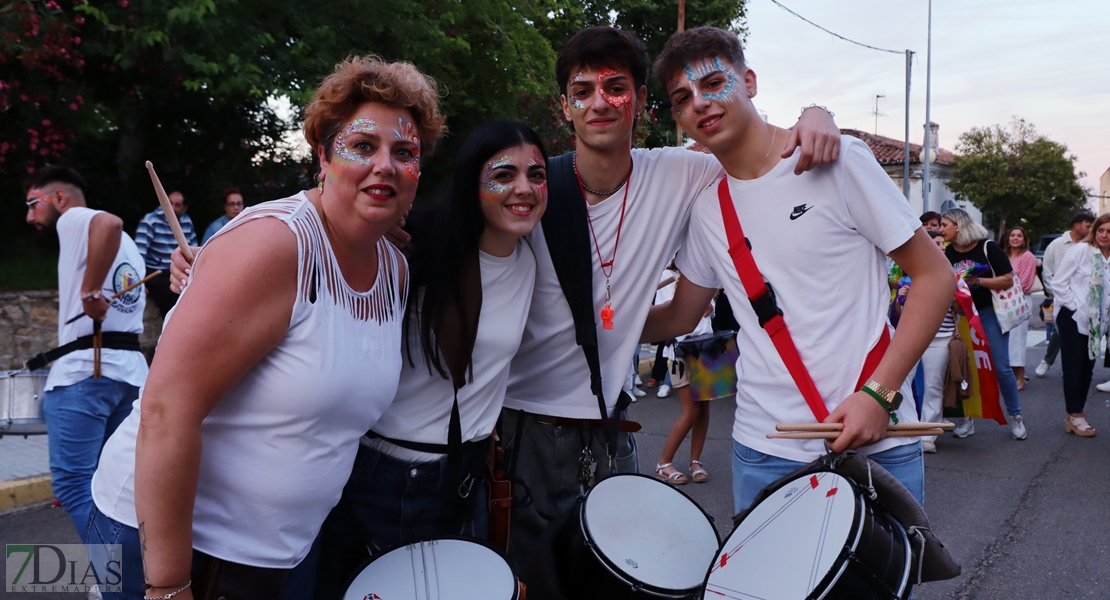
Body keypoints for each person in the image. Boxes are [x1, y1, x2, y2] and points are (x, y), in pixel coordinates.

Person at [88, 55, 443, 599]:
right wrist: (166, 584)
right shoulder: (275, 245)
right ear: (323, 157)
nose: (385, 166)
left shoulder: (392, 269)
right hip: (164, 549)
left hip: (280, 557)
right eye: (363, 146)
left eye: (405, 152)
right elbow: (166, 409)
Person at [498, 25, 843, 568]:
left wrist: (816, 115)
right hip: (524, 433)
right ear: (564, 107)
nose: (599, 103)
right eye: (582, 91)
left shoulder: (686, 174)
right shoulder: (528, 190)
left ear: (641, 101)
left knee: (623, 576)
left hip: (613, 431)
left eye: (616, 87)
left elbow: (759, 149)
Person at [646, 26, 955, 513]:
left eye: (713, 84)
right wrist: (592, 321)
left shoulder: (838, 161)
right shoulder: (708, 208)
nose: (700, 103)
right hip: (762, 449)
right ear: (678, 117)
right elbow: (682, 317)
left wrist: (880, 394)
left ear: (748, 81)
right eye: (683, 98)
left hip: (878, 441)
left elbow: (935, 276)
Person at [304, 120, 548, 596]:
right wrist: (205, 264)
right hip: (395, 477)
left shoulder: (529, 258)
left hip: (466, 473)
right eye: (503, 175)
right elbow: (321, 244)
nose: (523, 188)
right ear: (471, 181)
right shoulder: (413, 247)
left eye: (536, 175)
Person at [22, 166, 148, 542]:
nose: (30, 216)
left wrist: (90, 290)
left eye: (33, 204)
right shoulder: (128, 243)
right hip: (128, 376)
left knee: (74, 485)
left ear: (58, 198)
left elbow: (108, 221)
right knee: (115, 492)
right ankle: (131, 579)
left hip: (85, 374)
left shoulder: (74, 218)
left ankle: (116, 583)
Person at [940, 208, 1027, 440]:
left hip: (989, 313)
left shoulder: (988, 247)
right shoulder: (947, 252)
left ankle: (1015, 416)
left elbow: (1007, 279)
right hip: (961, 315)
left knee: (1001, 366)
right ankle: (967, 418)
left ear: (959, 226)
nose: (941, 229)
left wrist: (979, 281)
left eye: (945, 224)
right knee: (963, 366)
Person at [1048, 213, 1110, 438]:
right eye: (1100, 230)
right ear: (1094, 231)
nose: (1104, 235)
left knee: (1088, 367)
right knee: (1075, 366)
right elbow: (1058, 282)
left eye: (1109, 232)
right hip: (1074, 318)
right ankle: (1075, 415)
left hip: (1097, 323)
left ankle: (1074, 415)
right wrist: (1075, 307)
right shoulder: (1081, 251)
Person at [653, 265, 714, 485]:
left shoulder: (704, 273)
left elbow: (707, 310)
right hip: (680, 351)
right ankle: (663, 463)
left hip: (707, 347)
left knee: (704, 408)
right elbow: (667, 315)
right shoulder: (667, 277)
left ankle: (695, 461)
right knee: (690, 411)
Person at [910, 231, 960, 453]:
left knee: (933, 385)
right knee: (900, 383)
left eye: (942, 243)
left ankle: (928, 434)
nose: (941, 246)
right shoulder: (909, 269)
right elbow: (900, 311)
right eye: (936, 243)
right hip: (911, 337)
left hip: (940, 338)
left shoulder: (955, 275)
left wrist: (956, 296)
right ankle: (901, 427)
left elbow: (961, 311)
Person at [1036, 212, 1095, 377]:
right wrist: (1054, 295)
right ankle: (1048, 361)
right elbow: (1048, 272)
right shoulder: (1057, 245)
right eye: (1088, 225)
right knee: (1059, 331)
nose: (1091, 229)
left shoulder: (1092, 246)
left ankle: (1078, 365)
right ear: (1077, 225)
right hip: (1063, 297)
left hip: (1087, 299)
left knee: (1090, 331)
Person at [134, 190, 198, 317]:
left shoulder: (186, 221)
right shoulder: (151, 221)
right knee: (169, 292)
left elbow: (193, 249)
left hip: (178, 268)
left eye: (177, 205)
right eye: (169, 203)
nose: (172, 208)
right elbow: (138, 253)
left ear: (184, 208)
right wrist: (139, 282)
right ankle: (172, 325)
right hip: (156, 271)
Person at [1004, 226, 1037, 389]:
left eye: (1019, 236)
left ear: (1024, 240)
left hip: (1020, 301)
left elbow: (1024, 282)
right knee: (1005, 339)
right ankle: (1008, 375)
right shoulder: (1003, 255)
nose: (1015, 238)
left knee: (1017, 339)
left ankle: (1020, 377)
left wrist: (1001, 286)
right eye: (1012, 235)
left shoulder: (1027, 256)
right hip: (1002, 301)